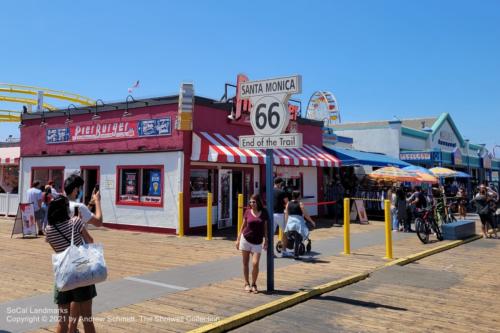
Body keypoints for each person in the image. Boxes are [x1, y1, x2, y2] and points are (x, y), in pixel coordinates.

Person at [46, 175, 103, 333]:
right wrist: (96, 201)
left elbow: (57, 249)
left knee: (62, 321)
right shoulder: (76, 220)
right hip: (81, 268)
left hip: (63, 272)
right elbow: (91, 238)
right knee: (87, 320)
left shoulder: (48, 231)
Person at [236, 194, 268, 294]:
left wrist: (266, 239)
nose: (251, 204)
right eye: (250, 202)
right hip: (245, 239)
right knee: (245, 263)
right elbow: (243, 225)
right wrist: (238, 238)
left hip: (257, 241)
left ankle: (254, 284)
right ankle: (246, 284)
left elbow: (265, 227)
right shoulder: (247, 212)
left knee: (255, 263)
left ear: (258, 202)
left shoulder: (264, 213)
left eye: (253, 202)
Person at [284, 191, 316, 258]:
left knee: (293, 237)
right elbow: (305, 214)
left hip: (290, 224)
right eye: (300, 195)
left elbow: (286, 214)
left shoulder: (288, 204)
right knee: (298, 238)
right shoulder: (300, 204)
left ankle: (291, 247)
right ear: (298, 196)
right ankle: (296, 255)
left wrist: (287, 223)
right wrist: (311, 221)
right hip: (298, 224)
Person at [272, 177, 290, 257]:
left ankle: (271, 253)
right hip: (280, 214)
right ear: (279, 183)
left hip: (271, 214)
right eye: (281, 183)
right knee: (285, 232)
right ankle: (284, 251)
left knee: (270, 234)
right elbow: (287, 203)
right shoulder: (282, 192)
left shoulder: (270, 191)